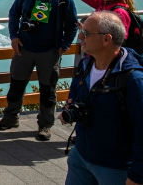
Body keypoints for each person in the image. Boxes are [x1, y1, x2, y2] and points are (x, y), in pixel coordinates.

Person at [0, 0, 78, 141]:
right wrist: (14, 36)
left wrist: (63, 47)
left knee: (48, 90)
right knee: (16, 86)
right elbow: (14, 13)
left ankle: (45, 125)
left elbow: (72, 26)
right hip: (23, 49)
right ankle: (10, 118)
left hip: (49, 52)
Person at [60, 11, 143, 185]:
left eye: (87, 33)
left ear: (106, 39)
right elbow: (76, 88)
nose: (80, 36)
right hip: (80, 156)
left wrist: (137, 176)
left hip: (115, 168)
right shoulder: (86, 63)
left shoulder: (133, 80)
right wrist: (71, 106)